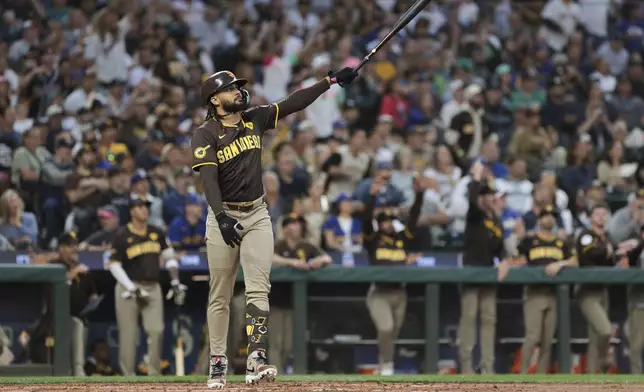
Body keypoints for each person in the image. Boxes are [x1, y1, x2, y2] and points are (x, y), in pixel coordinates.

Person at [191, 66, 358, 388]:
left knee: (258, 287)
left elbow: (295, 102)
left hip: (256, 214)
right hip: (222, 214)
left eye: (238, 87)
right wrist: (221, 216)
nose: (238, 91)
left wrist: (331, 81)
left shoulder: (255, 118)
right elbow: (208, 179)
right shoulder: (206, 133)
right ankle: (217, 362)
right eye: (230, 89)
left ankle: (255, 358)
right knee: (220, 294)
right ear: (214, 99)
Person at [107, 197, 187, 376]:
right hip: (128, 288)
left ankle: (154, 375)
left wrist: (175, 281)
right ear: (132, 211)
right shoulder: (122, 235)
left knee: (156, 331)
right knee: (129, 336)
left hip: (152, 287)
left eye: (146, 207)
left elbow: (170, 259)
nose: (145, 210)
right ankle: (128, 377)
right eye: (140, 207)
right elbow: (113, 264)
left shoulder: (156, 232)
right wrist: (129, 286)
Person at [362, 172, 427, 375]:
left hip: (400, 292)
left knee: (394, 333)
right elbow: (366, 220)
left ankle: (384, 364)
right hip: (379, 292)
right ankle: (388, 366)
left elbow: (414, 219)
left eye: (390, 220)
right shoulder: (373, 239)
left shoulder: (402, 239)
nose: (387, 223)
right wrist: (371, 196)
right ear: (379, 224)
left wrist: (419, 196)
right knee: (385, 328)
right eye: (384, 221)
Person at [498, 205, 576, 373]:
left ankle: (541, 379)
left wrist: (560, 263)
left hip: (553, 294)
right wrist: (507, 262)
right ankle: (523, 374)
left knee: (547, 340)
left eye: (552, 216)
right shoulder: (529, 240)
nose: (549, 218)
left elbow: (575, 261)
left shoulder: (561, 243)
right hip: (534, 292)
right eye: (545, 215)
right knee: (533, 337)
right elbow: (515, 257)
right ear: (539, 219)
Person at [458, 159, 505, 374]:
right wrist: (476, 178)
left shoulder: (496, 220)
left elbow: (499, 249)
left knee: (489, 319)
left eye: (491, 195)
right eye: (485, 195)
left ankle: (488, 365)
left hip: (488, 272)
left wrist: (504, 261)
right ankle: (466, 367)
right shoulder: (474, 215)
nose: (489, 199)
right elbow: (471, 198)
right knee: (469, 318)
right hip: (471, 270)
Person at [271, 213, 332, 374]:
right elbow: (268, 257)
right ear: (284, 228)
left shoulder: (306, 246)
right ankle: (275, 377)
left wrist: (318, 261)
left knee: (289, 344)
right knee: (276, 343)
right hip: (274, 302)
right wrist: (292, 262)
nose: (296, 226)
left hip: (294, 303)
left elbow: (327, 258)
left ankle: (280, 373)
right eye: (291, 224)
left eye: (298, 223)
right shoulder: (278, 245)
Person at [575, 204, 618, 374]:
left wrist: (609, 251)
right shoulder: (586, 235)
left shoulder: (606, 238)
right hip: (587, 291)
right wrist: (606, 251)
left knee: (595, 337)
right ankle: (604, 358)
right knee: (605, 330)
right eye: (597, 214)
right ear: (590, 217)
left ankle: (593, 378)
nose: (601, 217)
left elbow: (612, 260)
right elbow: (589, 253)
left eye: (604, 214)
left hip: (602, 290)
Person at [51, 231, 98, 376]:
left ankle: (77, 370)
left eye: (76, 246)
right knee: (76, 325)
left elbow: (93, 293)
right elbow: (56, 286)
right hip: (57, 318)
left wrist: (94, 301)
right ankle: (76, 371)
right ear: (61, 248)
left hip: (79, 315)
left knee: (79, 324)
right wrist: (73, 273)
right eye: (71, 246)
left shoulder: (82, 269)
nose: (74, 249)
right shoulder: (54, 266)